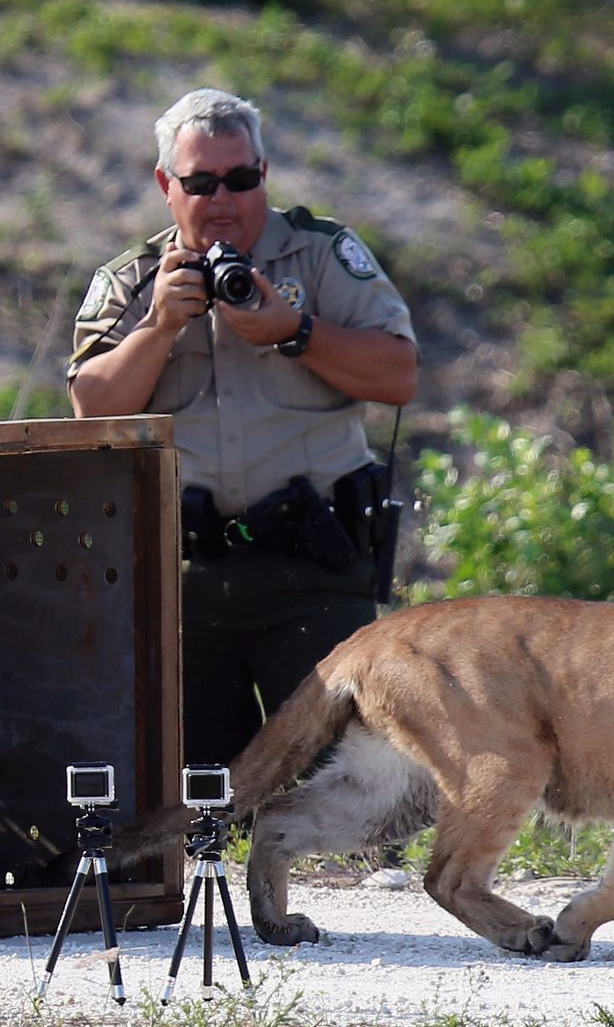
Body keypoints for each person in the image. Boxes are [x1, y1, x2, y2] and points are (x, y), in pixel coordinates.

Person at [68, 86, 417, 797]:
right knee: (197, 796)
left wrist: (297, 331)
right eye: (200, 183)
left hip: (311, 565)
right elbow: (91, 409)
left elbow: (399, 374)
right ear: (167, 186)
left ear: (264, 172)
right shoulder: (133, 280)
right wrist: (159, 328)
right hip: (185, 577)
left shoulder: (322, 255)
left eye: (241, 179)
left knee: (344, 786)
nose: (222, 198)